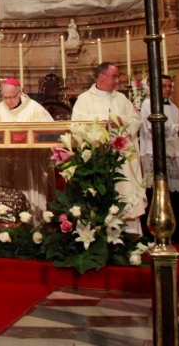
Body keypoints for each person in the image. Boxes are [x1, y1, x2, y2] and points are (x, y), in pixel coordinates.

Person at [72, 62, 146, 233]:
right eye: (114, 76)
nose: (117, 81)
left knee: (124, 191)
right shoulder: (84, 99)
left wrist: (122, 121)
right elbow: (77, 123)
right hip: (98, 157)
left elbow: (135, 121)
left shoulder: (121, 98)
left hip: (120, 156)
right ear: (101, 77)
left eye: (118, 76)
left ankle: (129, 236)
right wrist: (105, 119)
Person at [0, 78, 54, 216]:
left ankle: (33, 222)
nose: (7, 101)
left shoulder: (35, 110)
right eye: (4, 97)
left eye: (11, 97)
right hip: (3, 163)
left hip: (28, 164)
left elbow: (49, 134)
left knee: (28, 196)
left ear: (19, 93)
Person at [140, 75, 179, 241]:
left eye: (170, 86)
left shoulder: (174, 107)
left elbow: (178, 132)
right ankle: (153, 231)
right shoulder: (148, 104)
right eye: (164, 86)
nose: (168, 89)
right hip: (155, 154)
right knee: (156, 191)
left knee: (177, 194)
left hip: (173, 154)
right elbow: (151, 129)